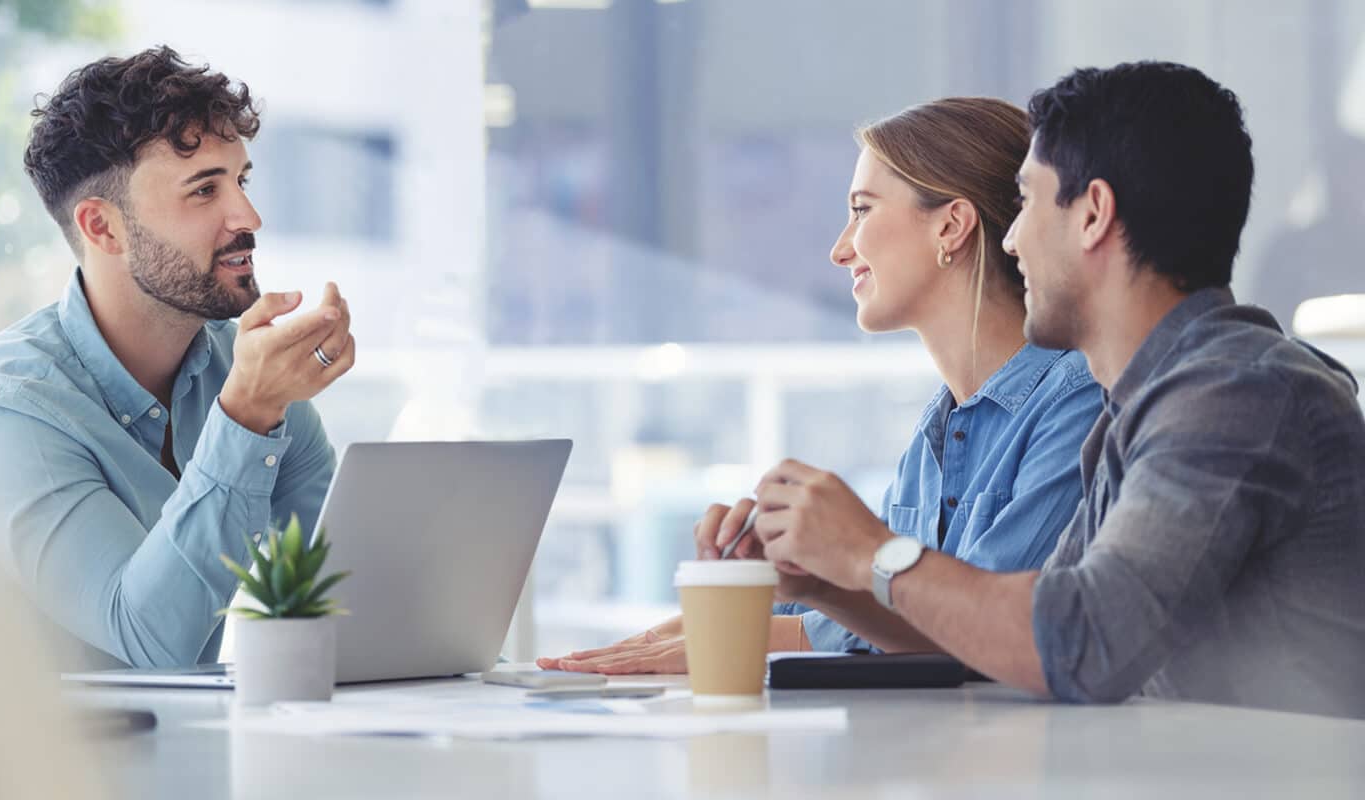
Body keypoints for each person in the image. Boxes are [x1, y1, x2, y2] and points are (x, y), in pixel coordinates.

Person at [728, 62, 1365, 718]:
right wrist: (832, 579)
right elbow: (1016, 632)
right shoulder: (1141, 410)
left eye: (1028, 202)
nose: (1008, 237)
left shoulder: (1237, 394)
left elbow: (1086, 641)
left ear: (1092, 216)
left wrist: (873, 552)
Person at [539, 97, 1103, 674]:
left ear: (951, 226)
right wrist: (785, 586)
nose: (840, 250)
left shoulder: (1077, 402)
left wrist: (774, 627)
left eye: (862, 210)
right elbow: (914, 618)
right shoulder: (939, 430)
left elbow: (986, 633)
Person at [0, 46, 355, 669]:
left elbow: (346, 591)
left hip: (196, 753)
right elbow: (149, 638)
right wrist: (247, 416)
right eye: (204, 191)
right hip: (45, 766)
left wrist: (486, 660)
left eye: (241, 181)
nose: (248, 217)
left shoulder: (243, 373)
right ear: (102, 228)